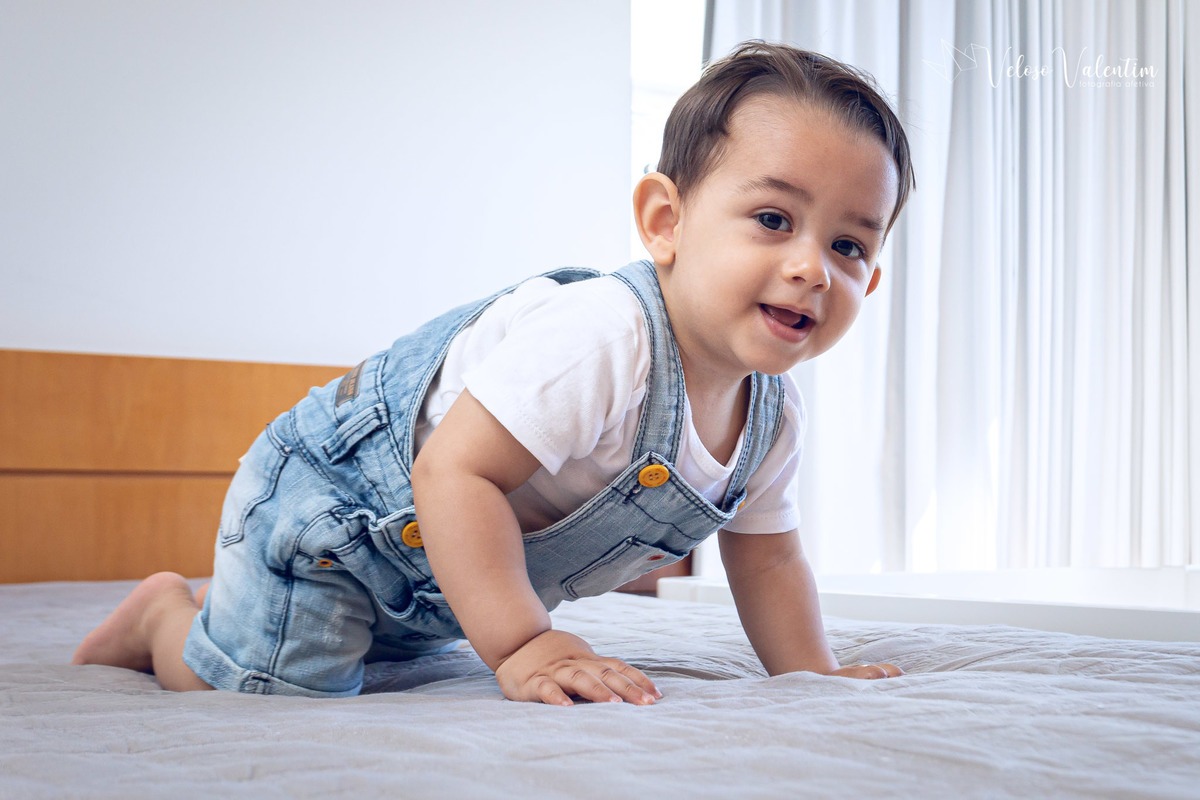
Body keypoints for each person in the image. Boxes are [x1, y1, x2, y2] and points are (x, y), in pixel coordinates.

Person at [74, 41, 915, 705]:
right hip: (335, 515)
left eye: (848, 244)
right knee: (269, 686)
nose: (811, 268)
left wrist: (810, 673)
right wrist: (523, 644)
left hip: (445, 577)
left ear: (871, 280)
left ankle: (253, 613)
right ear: (665, 222)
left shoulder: (772, 419)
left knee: (388, 651)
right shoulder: (604, 338)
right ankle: (163, 618)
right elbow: (455, 471)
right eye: (773, 218)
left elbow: (767, 561)